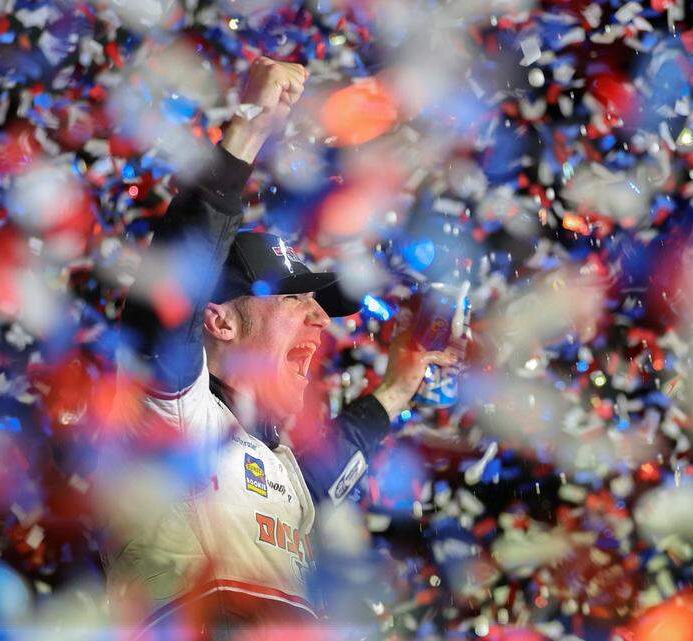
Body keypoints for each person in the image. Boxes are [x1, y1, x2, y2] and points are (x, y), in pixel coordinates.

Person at [101, 57, 458, 638]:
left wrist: (398, 386)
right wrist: (246, 131)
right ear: (218, 320)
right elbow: (167, 296)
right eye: (293, 299)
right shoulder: (174, 415)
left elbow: (337, 459)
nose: (319, 319)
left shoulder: (280, 463)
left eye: (318, 306)